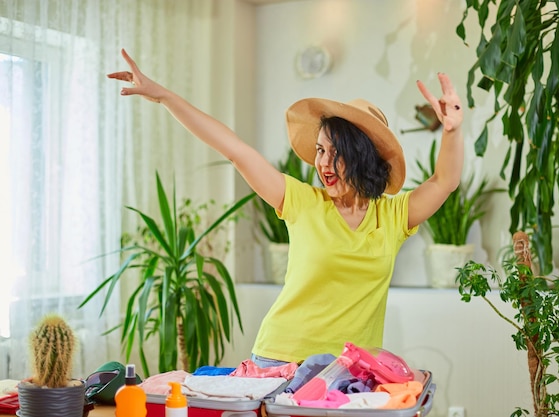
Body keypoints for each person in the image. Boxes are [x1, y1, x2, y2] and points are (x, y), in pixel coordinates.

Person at [108, 48, 464, 368]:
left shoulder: (393, 216)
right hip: (281, 361)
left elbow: (444, 181)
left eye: (335, 153)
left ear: (362, 159)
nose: (322, 161)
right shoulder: (301, 201)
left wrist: (452, 131)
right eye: (321, 150)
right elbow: (235, 149)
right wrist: (165, 97)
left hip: (351, 371)